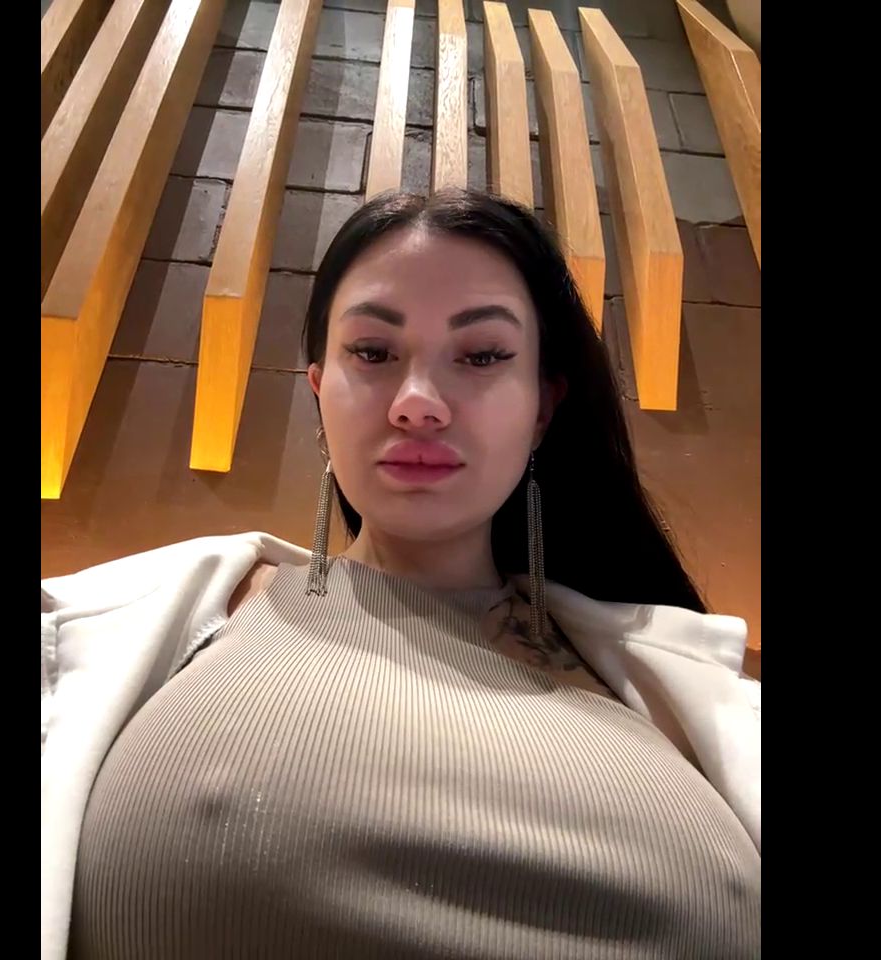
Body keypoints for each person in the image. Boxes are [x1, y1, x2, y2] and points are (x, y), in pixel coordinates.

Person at [41, 189, 761, 960]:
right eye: (373, 353)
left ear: (542, 408)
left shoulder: (692, 696)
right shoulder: (138, 630)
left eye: (481, 356)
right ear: (319, 391)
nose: (418, 405)